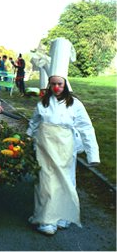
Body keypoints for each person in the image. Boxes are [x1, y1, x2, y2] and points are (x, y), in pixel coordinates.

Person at [26, 38, 100, 236]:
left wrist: (93, 154)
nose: (56, 87)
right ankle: (46, 219)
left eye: (59, 84)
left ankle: (62, 216)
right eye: (53, 84)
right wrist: (26, 139)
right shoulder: (43, 103)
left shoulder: (75, 104)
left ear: (65, 84)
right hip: (44, 146)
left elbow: (86, 127)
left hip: (65, 148)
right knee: (45, 180)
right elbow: (34, 122)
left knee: (65, 180)